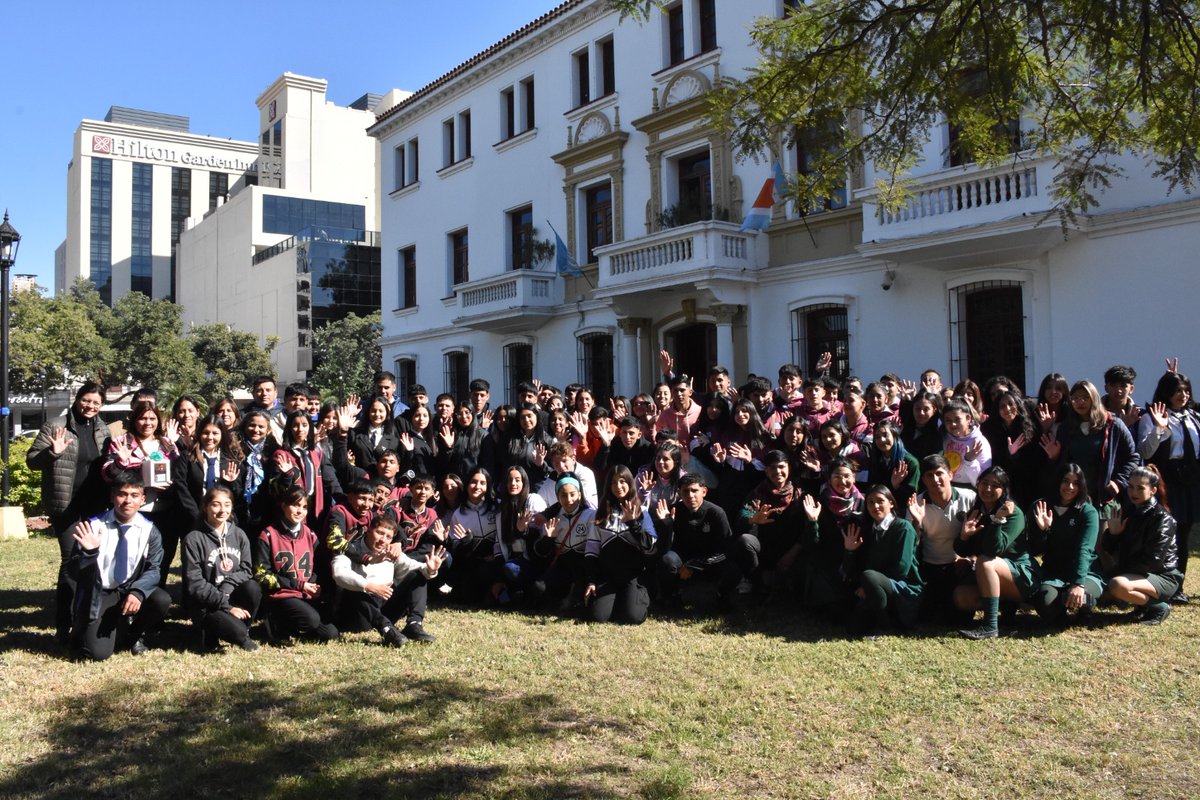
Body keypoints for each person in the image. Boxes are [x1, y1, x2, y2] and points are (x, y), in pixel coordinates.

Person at [26, 381, 112, 643]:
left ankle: (86, 617)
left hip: (96, 506)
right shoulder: (56, 425)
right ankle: (63, 624)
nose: (90, 406)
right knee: (70, 561)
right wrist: (53, 452)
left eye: (96, 403)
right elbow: (32, 461)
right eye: (87, 400)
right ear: (77, 399)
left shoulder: (104, 430)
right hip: (66, 505)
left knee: (92, 560)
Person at [67, 473, 172, 660]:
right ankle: (91, 628)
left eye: (134, 495)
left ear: (142, 499)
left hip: (129, 588)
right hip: (102, 592)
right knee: (98, 654)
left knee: (161, 600)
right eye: (122, 494)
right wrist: (90, 554)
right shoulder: (93, 526)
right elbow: (73, 571)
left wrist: (138, 591)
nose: (127, 501)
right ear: (112, 496)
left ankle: (134, 633)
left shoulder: (149, 529)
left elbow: (155, 568)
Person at [103, 400, 186, 590]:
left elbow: (181, 472)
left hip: (164, 511)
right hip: (135, 512)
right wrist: (122, 463)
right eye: (143, 418)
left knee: (162, 559)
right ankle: (130, 599)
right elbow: (108, 476)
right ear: (134, 420)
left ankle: (156, 600)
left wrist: (173, 447)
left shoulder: (165, 443)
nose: (148, 423)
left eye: (152, 418)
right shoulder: (121, 442)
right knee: (134, 558)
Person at [332, 515, 446, 646]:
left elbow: (412, 567)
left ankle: (414, 625)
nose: (383, 540)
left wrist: (430, 569)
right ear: (368, 530)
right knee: (354, 588)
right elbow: (338, 574)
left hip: (383, 606)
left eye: (388, 537)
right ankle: (386, 629)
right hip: (358, 612)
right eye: (379, 533)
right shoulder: (351, 549)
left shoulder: (389, 551)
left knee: (418, 575)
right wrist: (369, 586)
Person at [1136, 370, 1199, 602]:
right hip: (1168, 481)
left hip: (1191, 480)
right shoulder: (1151, 417)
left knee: (1185, 534)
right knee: (1170, 535)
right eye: (1177, 391)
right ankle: (1166, 585)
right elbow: (1145, 452)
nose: (1182, 395)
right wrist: (1159, 429)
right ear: (1166, 393)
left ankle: (1178, 586)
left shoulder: (1193, 416)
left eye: (1185, 390)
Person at [954, 466, 1033, 639]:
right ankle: (1006, 605)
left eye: (995, 485)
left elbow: (994, 550)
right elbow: (961, 549)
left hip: (1020, 575)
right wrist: (964, 537)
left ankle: (990, 626)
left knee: (985, 561)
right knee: (961, 596)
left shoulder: (1013, 514)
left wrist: (998, 520)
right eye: (984, 483)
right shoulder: (977, 511)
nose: (988, 489)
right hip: (991, 573)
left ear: (1004, 490)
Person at [182, 485, 262, 652]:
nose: (222, 510)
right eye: (216, 504)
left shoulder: (239, 535)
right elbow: (195, 583)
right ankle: (212, 634)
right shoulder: (194, 538)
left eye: (227, 504)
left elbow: (247, 570)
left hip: (230, 596)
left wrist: (228, 585)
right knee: (237, 634)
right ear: (205, 507)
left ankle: (241, 629)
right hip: (207, 604)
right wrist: (226, 605)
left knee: (253, 587)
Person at [254, 487, 340, 643]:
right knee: (311, 620)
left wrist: (314, 585)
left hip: (306, 595)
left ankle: (294, 627)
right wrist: (299, 585)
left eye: (304, 507)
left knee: (331, 633)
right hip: (281, 596)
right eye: (295, 505)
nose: (300, 511)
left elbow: (320, 568)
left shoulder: (310, 535)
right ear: (283, 505)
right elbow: (262, 576)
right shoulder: (268, 535)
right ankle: (275, 622)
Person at [1100, 466, 1182, 625]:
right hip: (1136, 572)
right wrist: (1113, 534)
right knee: (1102, 590)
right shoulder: (1129, 511)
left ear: (1153, 490)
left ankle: (1158, 606)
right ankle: (1142, 604)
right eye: (1130, 486)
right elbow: (1108, 548)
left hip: (1163, 575)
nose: (1133, 492)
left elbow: (1153, 561)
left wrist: (1121, 572)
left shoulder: (1163, 519)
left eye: (1140, 488)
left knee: (1117, 585)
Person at [1027, 463, 1103, 626]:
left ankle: (1084, 611)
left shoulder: (1088, 512)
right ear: (1057, 481)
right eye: (1065, 481)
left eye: (1076, 483)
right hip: (1054, 572)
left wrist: (1078, 583)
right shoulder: (1041, 507)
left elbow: (1085, 548)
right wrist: (1044, 530)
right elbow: (1035, 550)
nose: (1070, 487)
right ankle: (1062, 609)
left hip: (1085, 572)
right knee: (1044, 603)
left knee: (1084, 598)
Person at [841, 485, 923, 637]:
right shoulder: (867, 530)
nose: (875, 506)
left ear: (891, 503)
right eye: (870, 502)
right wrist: (849, 551)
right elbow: (852, 570)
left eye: (880, 501)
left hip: (903, 586)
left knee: (869, 576)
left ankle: (885, 627)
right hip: (875, 587)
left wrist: (869, 585)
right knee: (852, 628)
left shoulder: (902, 527)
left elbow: (901, 569)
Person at [906, 455, 976, 621]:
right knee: (926, 615)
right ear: (923, 479)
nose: (935, 479)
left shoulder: (970, 498)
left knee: (959, 616)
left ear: (950, 475)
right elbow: (911, 543)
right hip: (931, 566)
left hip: (962, 565)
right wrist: (917, 522)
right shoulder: (916, 504)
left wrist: (969, 558)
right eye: (929, 475)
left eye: (939, 473)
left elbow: (980, 536)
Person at [584, 465, 657, 624]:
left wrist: (633, 523)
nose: (618, 487)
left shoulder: (642, 511)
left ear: (630, 483)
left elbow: (650, 547)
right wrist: (591, 580)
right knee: (598, 617)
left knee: (633, 617)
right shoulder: (601, 514)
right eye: (614, 483)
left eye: (622, 481)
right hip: (608, 575)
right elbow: (592, 551)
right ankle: (616, 601)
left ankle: (639, 595)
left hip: (632, 576)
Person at [652, 474, 734, 606]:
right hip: (682, 557)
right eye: (685, 491)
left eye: (694, 490)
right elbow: (664, 548)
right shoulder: (673, 510)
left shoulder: (716, 513)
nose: (690, 495)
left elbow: (726, 549)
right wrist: (666, 525)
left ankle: (722, 596)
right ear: (679, 493)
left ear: (704, 491)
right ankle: (670, 598)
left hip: (709, 560)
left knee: (731, 568)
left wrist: (694, 565)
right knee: (667, 560)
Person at [941, 399, 992, 487]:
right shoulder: (944, 438)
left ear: (968, 418)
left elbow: (984, 478)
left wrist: (970, 461)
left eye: (957, 420)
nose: (953, 424)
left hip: (970, 489)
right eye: (948, 420)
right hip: (947, 487)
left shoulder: (979, 442)